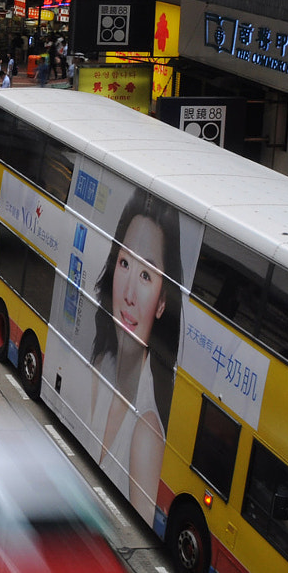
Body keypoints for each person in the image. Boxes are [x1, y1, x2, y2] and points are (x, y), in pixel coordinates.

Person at [89, 189, 183, 523]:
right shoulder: (102, 366)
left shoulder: (147, 431)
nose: (128, 293)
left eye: (146, 276)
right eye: (124, 263)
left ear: (161, 303)